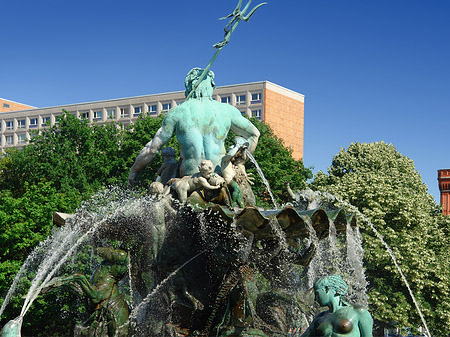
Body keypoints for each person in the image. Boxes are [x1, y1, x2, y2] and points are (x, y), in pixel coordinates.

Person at [128, 67, 260, 185]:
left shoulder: (177, 112)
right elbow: (254, 134)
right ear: (211, 86)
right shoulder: (227, 111)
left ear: (189, 87)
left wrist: (134, 170)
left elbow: (152, 148)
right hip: (220, 175)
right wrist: (239, 163)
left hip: (189, 178)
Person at [301, 275, 373, 337]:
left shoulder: (358, 312)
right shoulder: (320, 319)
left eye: (317, 294)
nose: (315, 299)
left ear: (327, 289)